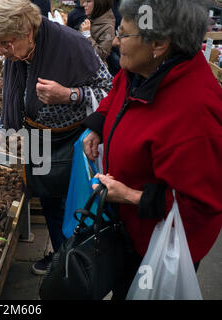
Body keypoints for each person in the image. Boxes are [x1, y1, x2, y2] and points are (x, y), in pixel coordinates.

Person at [82, 0, 222, 299]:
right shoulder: (143, 69)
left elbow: (203, 204)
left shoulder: (194, 113)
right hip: (130, 230)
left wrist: (130, 196)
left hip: (158, 247)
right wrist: (98, 123)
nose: (116, 41)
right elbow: (119, 89)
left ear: (158, 43)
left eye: (124, 33)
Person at [0, 0, 113, 275]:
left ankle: (79, 264)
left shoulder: (72, 45)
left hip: (72, 139)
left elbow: (110, 93)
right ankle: (61, 255)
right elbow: (12, 107)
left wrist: (69, 95)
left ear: (26, 32)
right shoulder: (15, 54)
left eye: (6, 43)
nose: (1, 51)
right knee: (48, 199)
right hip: (37, 137)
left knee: (74, 204)